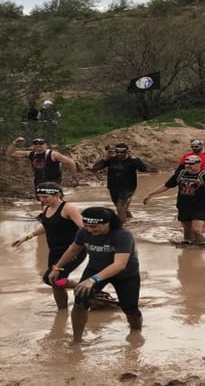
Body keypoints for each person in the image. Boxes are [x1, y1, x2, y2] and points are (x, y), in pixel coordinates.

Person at [47, 207, 142, 343]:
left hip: (125, 274)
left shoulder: (122, 235)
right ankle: (77, 340)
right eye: (86, 226)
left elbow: (119, 264)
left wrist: (93, 279)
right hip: (95, 269)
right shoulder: (84, 232)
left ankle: (136, 335)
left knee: (130, 308)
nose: (90, 230)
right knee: (80, 301)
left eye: (94, 227)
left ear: (108, 223)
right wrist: (57, 268)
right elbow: (73, 249)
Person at [12, 183, 85, 310]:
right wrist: (28, 236)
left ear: (57, 195)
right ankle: (62, 312)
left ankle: (83, 287)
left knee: (52, 279)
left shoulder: (69, 208)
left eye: (45, 197)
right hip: (55, 251)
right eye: (40, 197)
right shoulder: (47, 209)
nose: (42, 200)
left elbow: (84, 228)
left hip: (72, 251)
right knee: (56, 283)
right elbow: (47, 226)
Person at [143, 155, 205, 244]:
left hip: (200, 206)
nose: (188, 166)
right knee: (187, 233)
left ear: (199, 164)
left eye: (191, 164)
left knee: (196, 230)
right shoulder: (180, 174)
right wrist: (150, 194)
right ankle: (187, 251)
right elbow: (166, 186)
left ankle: (201, 248)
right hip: (183, 206)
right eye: (186, 164)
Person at [90, 143, 150, 222]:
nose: (119, 154)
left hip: (128, 188)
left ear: (127, 152)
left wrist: (134, 158)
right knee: (122, 208)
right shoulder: (111, 159)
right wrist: (105, 158)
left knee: (119, 206)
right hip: (113, 187)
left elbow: (143, 169)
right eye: (117, 152)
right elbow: (94, 168)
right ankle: (130, 220)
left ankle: (121, 227)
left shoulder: (132, 160)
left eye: (122, 152)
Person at [6, 137, 78, 188]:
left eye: (41, 143)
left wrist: (74, 178)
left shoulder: (53, 154)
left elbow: (70, 162)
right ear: (33, 146)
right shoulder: (31, 154)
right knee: (43, 203)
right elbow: (10, 153)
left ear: (45, 145)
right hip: (39, 182)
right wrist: (15, 143)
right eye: (36, 144)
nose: (39, 145)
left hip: (53, 181)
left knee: (52, 202)